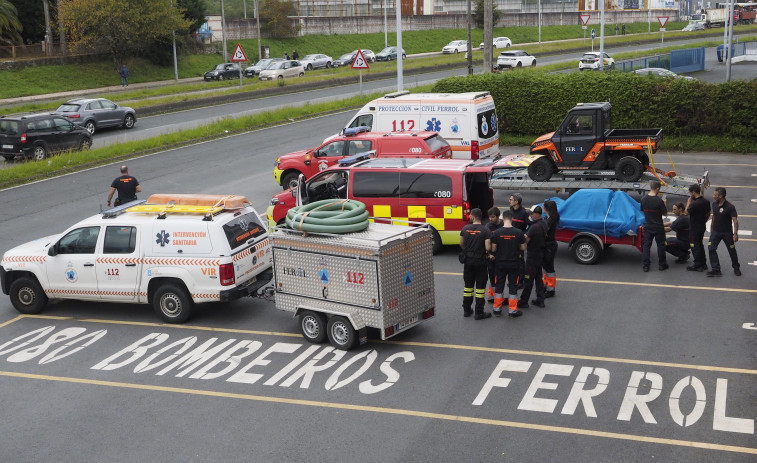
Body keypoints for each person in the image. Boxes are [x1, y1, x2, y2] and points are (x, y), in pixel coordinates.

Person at [488, 210, 525, 318]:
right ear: (512, 219)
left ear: (502, 219)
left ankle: (497, 309)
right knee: (513, 286)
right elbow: (523, 247)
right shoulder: (518, 232)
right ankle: (512, 311)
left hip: (500, 264)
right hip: (514, 264)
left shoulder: (497, 233)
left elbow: (493, 248)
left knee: (499, 285)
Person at [460, 208, 492, 320]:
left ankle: (467, 310)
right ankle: (479, 312)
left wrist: (468, 251)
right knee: (480, 288)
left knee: (468, 287)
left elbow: (461, 244)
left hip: (468, 261)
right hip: (481, 262)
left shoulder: (465, 228)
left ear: (473, 216)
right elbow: (488, 247)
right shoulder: (485, 230)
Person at [707, 187, 741, 276]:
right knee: (711, 248)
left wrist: (735, 234)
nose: (713, 196)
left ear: (721, 196)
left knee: (731, 250)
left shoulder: (730, 207)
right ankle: (716, 269)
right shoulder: (714, 204)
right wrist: (711, 228)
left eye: (715, 195)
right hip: (716, 232)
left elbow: (735, 220)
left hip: (727, 233)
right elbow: (714, 216)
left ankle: (736, 267)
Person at [519, 205, 547, 308]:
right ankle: (540, 299)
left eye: (531, 214)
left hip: (532, 256)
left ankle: (523, 301)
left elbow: (526, 241)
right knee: (538, 278)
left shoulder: (534, 227)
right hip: (540, 255)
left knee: (528, 279)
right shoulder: (544, 223)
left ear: (537, 214)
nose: (530, 215)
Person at [641, 180, 668, 272]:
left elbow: (642, 210)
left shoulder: (643, 199)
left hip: (648, 225)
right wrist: (664, 204)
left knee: (646, 246)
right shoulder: (659, 201)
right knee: (660, 245)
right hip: (658, 226)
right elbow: (665, 214)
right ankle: (662, 264)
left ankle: (646, 265)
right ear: (657, 188)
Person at [685, 183, 710, 272]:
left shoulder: (694, 204)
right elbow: (708, 213)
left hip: (694, 228)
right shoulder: (706, 201)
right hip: (702, 226)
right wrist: (704, 221)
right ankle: (703, 263)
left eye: (690, 193)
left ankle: (698, 264)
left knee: (694, 246)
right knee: (700, 244)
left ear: (693, 192)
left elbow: (686, 213)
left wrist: (688, 202)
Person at [509, 193, 529, 288]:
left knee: (520, 261)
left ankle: (521, 281)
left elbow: (530, 225)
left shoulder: (524, 213)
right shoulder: (510, 211)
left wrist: (526, 234)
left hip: (519, 241)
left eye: (511, 199)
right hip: (510, 240)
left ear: (516, 202)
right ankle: (514, 280)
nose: (509, 201)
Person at [485, 207, 504, 303]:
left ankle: (498, 297)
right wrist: (489, 254)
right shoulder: (488, 227)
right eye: (489, 217)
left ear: (497, 216)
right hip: (491, 257)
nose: (490, 219)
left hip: (501, 256)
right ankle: (492, 296)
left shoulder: (503, 225)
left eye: (492, 217)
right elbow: (485, 242)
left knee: (500, 277)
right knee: (492, 276)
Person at [542, 200, 560, 298]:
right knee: (545, 267)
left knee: (549, 267)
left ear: (546, 208)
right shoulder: (549, 218)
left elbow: (543, 232)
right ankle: (546, 284)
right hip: (549, 245)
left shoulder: (549, 221)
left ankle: (551, 289)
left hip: (549, 246)